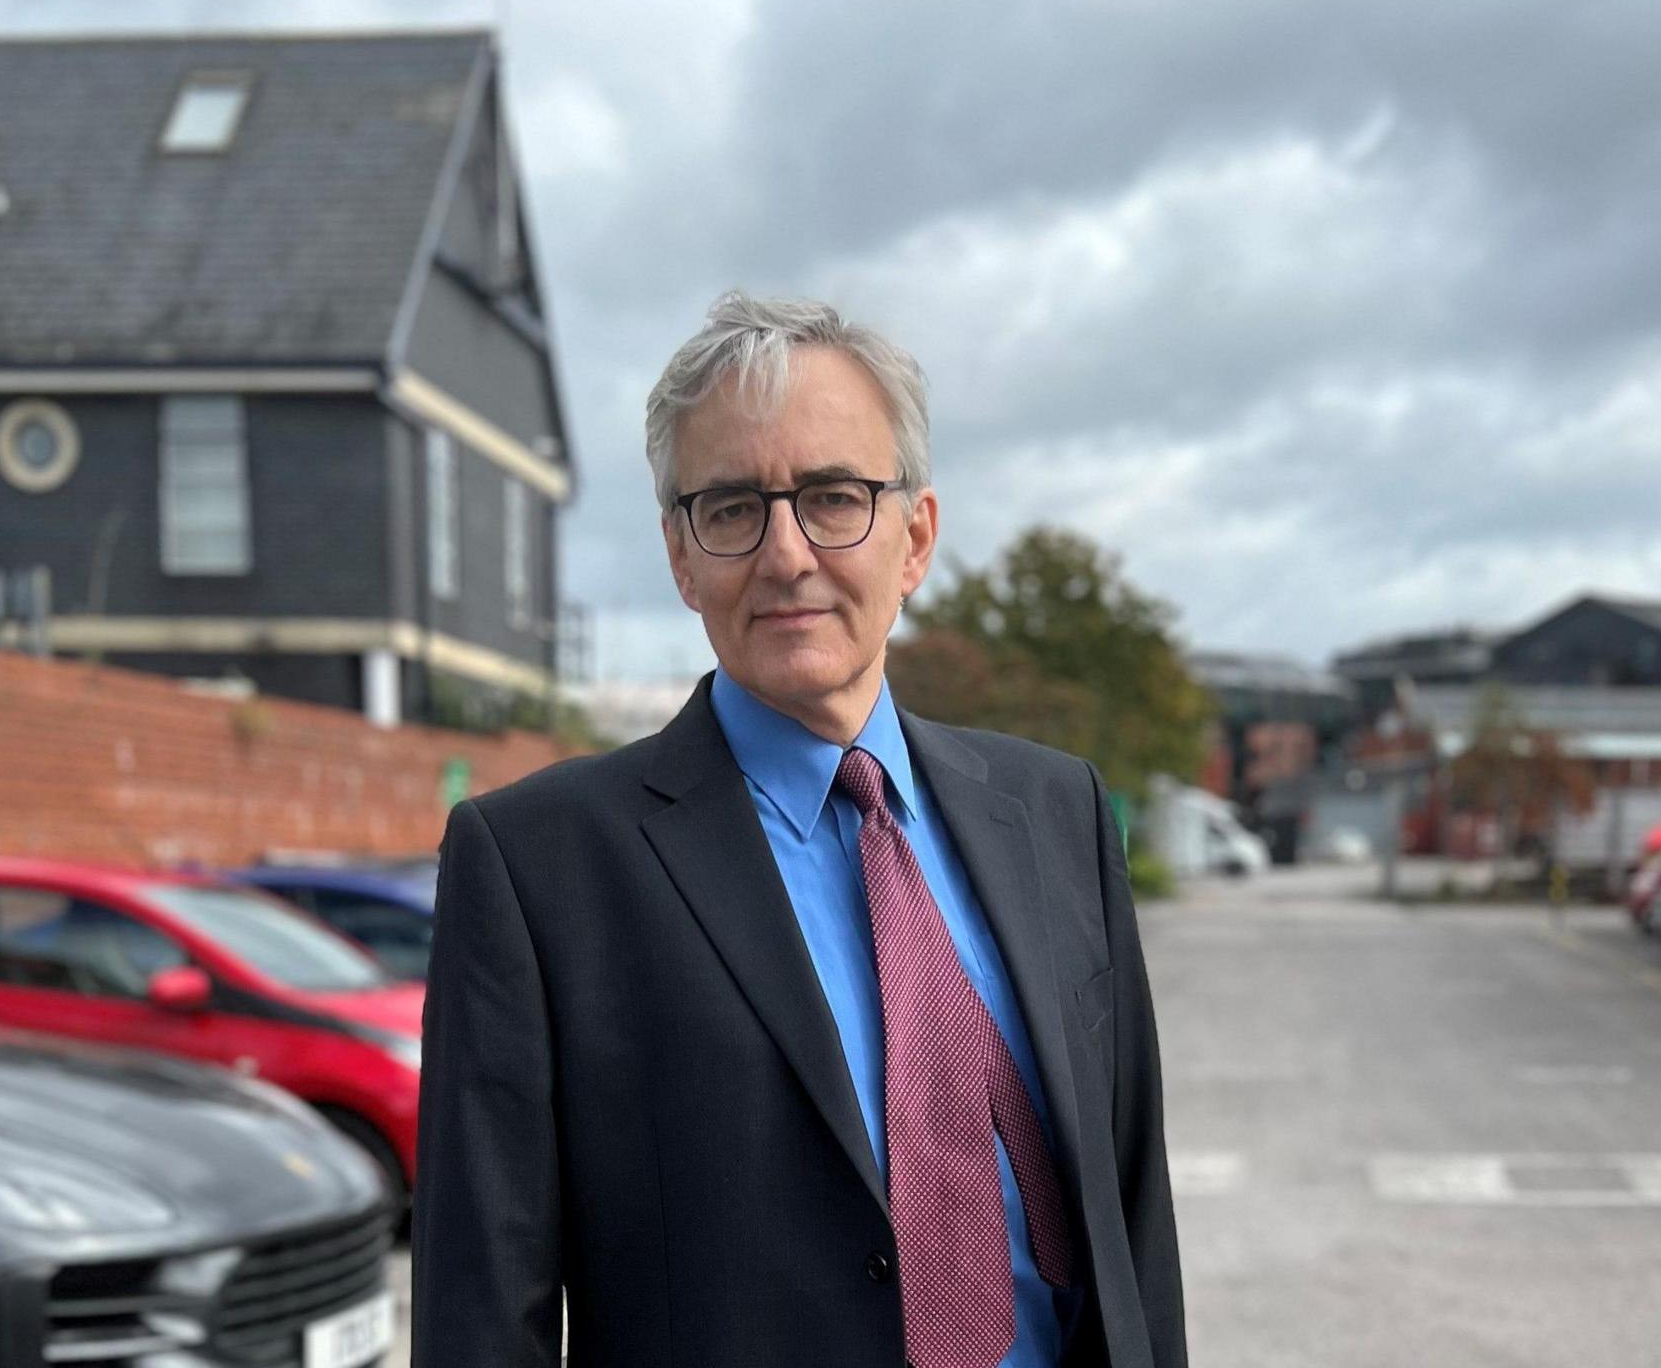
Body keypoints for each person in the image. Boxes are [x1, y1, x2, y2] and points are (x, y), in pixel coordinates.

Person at [413, 292, 1187, 1368]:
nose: (785, 555)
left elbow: (1132, 1220)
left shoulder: (1054, 812)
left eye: (833, 497)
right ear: (681, 556)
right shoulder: (538, 869)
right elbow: (480, 1314)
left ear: (914, 538)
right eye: (731, 508)